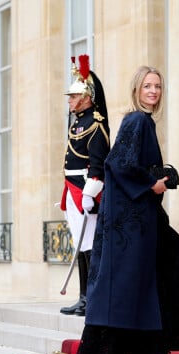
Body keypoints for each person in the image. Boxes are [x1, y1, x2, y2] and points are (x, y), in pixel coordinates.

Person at [73, 66, 179, 354]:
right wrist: (152, 184)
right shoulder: (138, 120)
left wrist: (160, 176)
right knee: (158, 272)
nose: (154, 91)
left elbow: (127, 164)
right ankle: (132, 351)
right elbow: (119, 165)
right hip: (132, 223)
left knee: (157, 274)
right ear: (136, 90)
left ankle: (145, 346)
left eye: (157, 86)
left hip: (136, 219)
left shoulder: (141, 121)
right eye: (148, 86)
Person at [59, 55, 110, 316]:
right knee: (81, 245)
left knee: (88, 244)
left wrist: (90, 193)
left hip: (85, 191)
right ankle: (83, 297)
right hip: (73, 188)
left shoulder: (95, 124)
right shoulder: (80, 121)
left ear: (86, 97)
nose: (69, 100)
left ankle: (91, 298)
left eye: (72, 96)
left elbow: (98, 164)